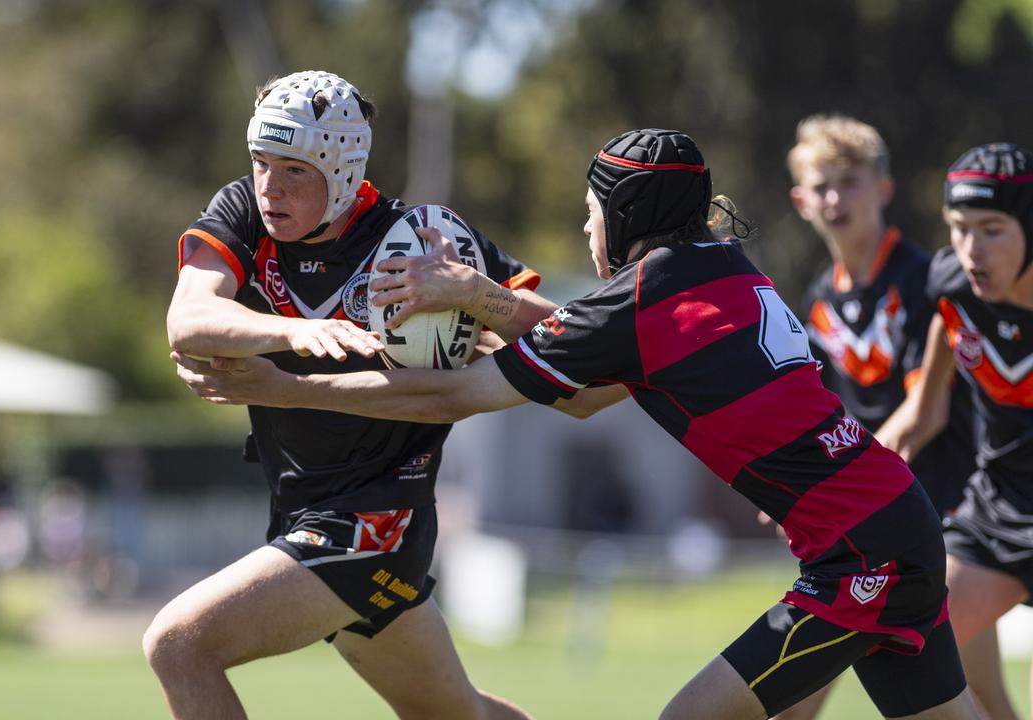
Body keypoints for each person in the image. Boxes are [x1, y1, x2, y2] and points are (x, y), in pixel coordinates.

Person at [177, 128, 982, 719]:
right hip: (891, 520)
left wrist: (285, 386)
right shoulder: (722, 269)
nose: (586, 230)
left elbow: (449, 398)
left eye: (593, 212)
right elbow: (592, 390)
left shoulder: (638, 302)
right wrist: (474, 297)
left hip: (858, 554)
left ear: (627, 213)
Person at [145, 70, 554, 720]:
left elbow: (569, 340)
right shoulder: (246, 215)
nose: (269, 187)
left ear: (341, 172)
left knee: (179, 643)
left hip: (377, 521)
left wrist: (470, 292)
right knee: (458, 715)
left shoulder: (420, 238)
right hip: (308, 510)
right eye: (260, 163)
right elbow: (187, 319)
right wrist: (300, 332)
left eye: (294, 170)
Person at [773, 117, 1012, 719]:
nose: (835, 198)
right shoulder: (818, 295)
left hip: (940, 508)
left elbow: (921, 413)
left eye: (849, 182)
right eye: (821, 186)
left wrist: (841, 482)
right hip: (869, 517)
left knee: (798, 688)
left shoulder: (931, 277)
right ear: (800, 201)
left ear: (883, 189)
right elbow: (823, 414)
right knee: (977, 699)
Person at [877, 142, 1033, 720]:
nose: (972, 250)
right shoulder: (952, 287)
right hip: (999, 513)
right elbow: (924, 412)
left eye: (991, 229)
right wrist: (828, 477)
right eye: (958, 228)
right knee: (906, 653)